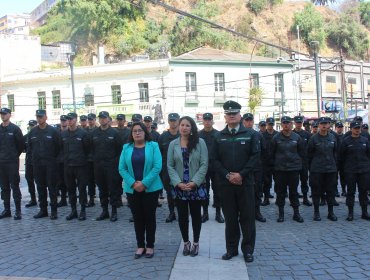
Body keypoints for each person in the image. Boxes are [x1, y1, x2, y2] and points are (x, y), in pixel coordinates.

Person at [213, 101, 259, 263]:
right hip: (226, 185)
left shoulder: (251, 134)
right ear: (225, 117)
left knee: (247, 218)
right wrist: (228, 175)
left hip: (245, 184)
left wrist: (241, 175)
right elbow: (215, 160)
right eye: (229, 114)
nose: (232, 116)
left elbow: (255, 157)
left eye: (235, 113)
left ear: (240, 116)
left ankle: (247, 250)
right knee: (230, 219)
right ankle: (231, 249)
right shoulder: (218, 136)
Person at [119, 122, 163, 259]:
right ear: (131, 134)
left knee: (150, 217)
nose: (137, 133)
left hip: (150, 188)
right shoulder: (126, 148)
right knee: (137, 218)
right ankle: (140, 245)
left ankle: (150, 245)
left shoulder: (153, 146)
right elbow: (122, 168)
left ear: (145, 132)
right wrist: (133, 183)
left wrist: (144, 183)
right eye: (134, 131)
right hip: (132, 189)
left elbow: (157, 167)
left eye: (140, 130)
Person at [167, 116, 208, 257]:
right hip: (179, 187)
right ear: (178, 126)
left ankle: (196, 243)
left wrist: (195, 182)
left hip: (195, 186)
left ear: (192, 128)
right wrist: (177, 183)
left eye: (187, 125)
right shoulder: (173, 144)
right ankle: (186, 243)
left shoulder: (200, 142)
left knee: (196, 216)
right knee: (182, 217)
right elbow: (170, 166)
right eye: (182, 125)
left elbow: (204, 164)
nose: (184, 127)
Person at [271, 116, 305, 223]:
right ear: (281, 124)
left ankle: (296, 213)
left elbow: (302, 153)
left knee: (294, 192)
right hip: (280, 170)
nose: (286, 125)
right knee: (280, 192)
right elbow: (271, 154)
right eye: (284, 123)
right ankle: (281, 214)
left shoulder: (297, 137)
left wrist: (299, 166)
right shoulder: (276, 138)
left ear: (292, 124)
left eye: (288, 123)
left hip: (293, 169)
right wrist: (274, 168)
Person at [28, 109, 61, 219]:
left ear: (46, 117)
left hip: (50, 164)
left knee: (52, 188)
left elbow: (58, 147)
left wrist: (53, 160)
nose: (39, 119)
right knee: (40, 188)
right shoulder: (32, 132)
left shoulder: (53, 131)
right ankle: (43, 210)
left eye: (41, 117)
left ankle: (54, 210)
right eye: (37, 117)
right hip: (38, 165)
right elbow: (30, 148)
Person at [91, 111, 122, 222]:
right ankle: (104, 211)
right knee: (102, 189)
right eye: (101, 118)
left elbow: (120, 150)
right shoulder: (94, 133)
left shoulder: (114, 133)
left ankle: (114, 211)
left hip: (111, 166)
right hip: (98, 166)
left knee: (112, 189)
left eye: (104, 118)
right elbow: (91, 149)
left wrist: (116, 164)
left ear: (109, 119)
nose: (102, 120)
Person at [307, 117, 338, 221]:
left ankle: (331, 212)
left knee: (331, 191)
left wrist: (334, 165)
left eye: (326, 123)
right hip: (317, 170)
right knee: (316, 191)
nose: (324, 125)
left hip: (330, 169)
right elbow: (309, 154)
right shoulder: (313, 138)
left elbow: (336, 153)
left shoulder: (333, 137)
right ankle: (316, 212)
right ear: (319, 125)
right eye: (322, 123)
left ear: (329, 125)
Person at [339, 120, 370, 221]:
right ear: (351, 129)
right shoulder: (346, 141)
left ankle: (364, 212)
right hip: (350, 171)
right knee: (350, 192)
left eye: (359, 128)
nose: (357, 130)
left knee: (363, 192)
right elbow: (341, 156)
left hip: (363, 170)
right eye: (355, 128)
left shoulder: (365, 140)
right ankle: (350, 213)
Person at [61, 112, 90, 220]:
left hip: (81, 166)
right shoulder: (63, 134)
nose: (69, 121)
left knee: (82, 189)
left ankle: (83, 210)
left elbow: (87, 149)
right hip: (68, 166)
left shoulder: (83, 134)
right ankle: (73, 210)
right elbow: (60, 149)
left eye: (71, 119)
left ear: (76, 119)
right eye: (68, 119)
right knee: (70, 189)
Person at [198, 113, 224, 223]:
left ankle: (218, 213)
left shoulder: (218, 134)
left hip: (216, 167)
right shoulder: (198, 135)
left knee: (218, 190)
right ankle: (205, 213)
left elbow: (222, 151)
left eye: (209, 119)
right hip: (203, 167)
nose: (207, 121)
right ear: (203, 121)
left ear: (212, 121)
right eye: (206, 120)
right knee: (204, 191)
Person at [0, 108, 24, 220]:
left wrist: (14, 155)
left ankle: (18, 210)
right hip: (1, 163)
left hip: (12, 162)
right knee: (4, 187)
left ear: (10, 115)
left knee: (15, 186)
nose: (3, 116)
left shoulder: (15, 129)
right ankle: (7, 210)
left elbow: (20, 146)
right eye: (1, 114)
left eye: (5, 114)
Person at [242, 113, 266, 223]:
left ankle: (257, 212)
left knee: (257, 191)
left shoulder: (258, 135)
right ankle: (244, 213)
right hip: (243, 170)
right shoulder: (240, 134)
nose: (249, 122)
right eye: (246, 120)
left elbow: (264, 152)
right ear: (243, 121)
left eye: (250, 120)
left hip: (257, 169)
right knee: (244, 192)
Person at [158, 113, 180, 222]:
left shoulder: (183, 135)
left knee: (182, 190)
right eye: (171, 120)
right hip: (167, 169)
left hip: (181, 169)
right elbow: (159, 154)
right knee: (170, 192)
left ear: (179, 121)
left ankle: (182, 212)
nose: (173, 122)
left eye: (175, 120)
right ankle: (172, 213)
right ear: (168, 121)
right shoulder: (163, 137)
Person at [293, 115, 312, 206]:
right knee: (294, 182)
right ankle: (294, 199)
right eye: (297, 123)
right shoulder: (291, 133)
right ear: (294, 123)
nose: (298, 124)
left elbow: (310, 148)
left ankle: (305, 198)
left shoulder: (307, 134)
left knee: (304, 181)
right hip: (293, 162)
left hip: (304, 161)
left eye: (300, 123)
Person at [261, 117, 278, 206]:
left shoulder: (278, 134)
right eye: (269, 124)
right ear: (266, 124)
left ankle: (278, 198)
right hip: (266, 162)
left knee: (278, 181)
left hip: (276, 162)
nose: (270, 126)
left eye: (272, 124)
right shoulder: (262, 135)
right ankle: (266, 198)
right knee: (266, 182)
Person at [24, 120, 38, 208]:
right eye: (30, 126)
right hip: (29, 162)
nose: (31, 127)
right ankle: (33, 199)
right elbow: (20, 147)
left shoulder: (39, 135)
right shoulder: (26, 136)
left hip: (38, 162)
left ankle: (42, 199)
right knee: (29, 181)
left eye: (33, 125)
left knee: (41, 182)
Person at [86, 113, 98, 207]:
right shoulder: (84, 131)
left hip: (98, 159)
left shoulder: (98, 131)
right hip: (88, 159)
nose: (90, 121)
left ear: (95, 120)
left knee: (101, 179)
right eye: (89, 119)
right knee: (90, 180)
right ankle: (91, 198)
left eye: (92, 119)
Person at [57, 115, 68, 207]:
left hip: (71, 161)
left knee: (72, 182)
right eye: (62, 121)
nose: (63, 122)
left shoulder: (71, 132)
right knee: (61, 181)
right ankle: (63, 199)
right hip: (60, 161)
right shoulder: (57, 133)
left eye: (65, 121)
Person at [335, 122, 346, 197]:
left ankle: (344, 190)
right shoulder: (333, 136)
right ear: (336, 128)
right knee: (334, 176)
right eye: (339, 127)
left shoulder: (345, 136)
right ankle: (335, 190)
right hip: (335, 159)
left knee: (343, 176)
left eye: (341, 127)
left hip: (343, 159)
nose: (340, 128)